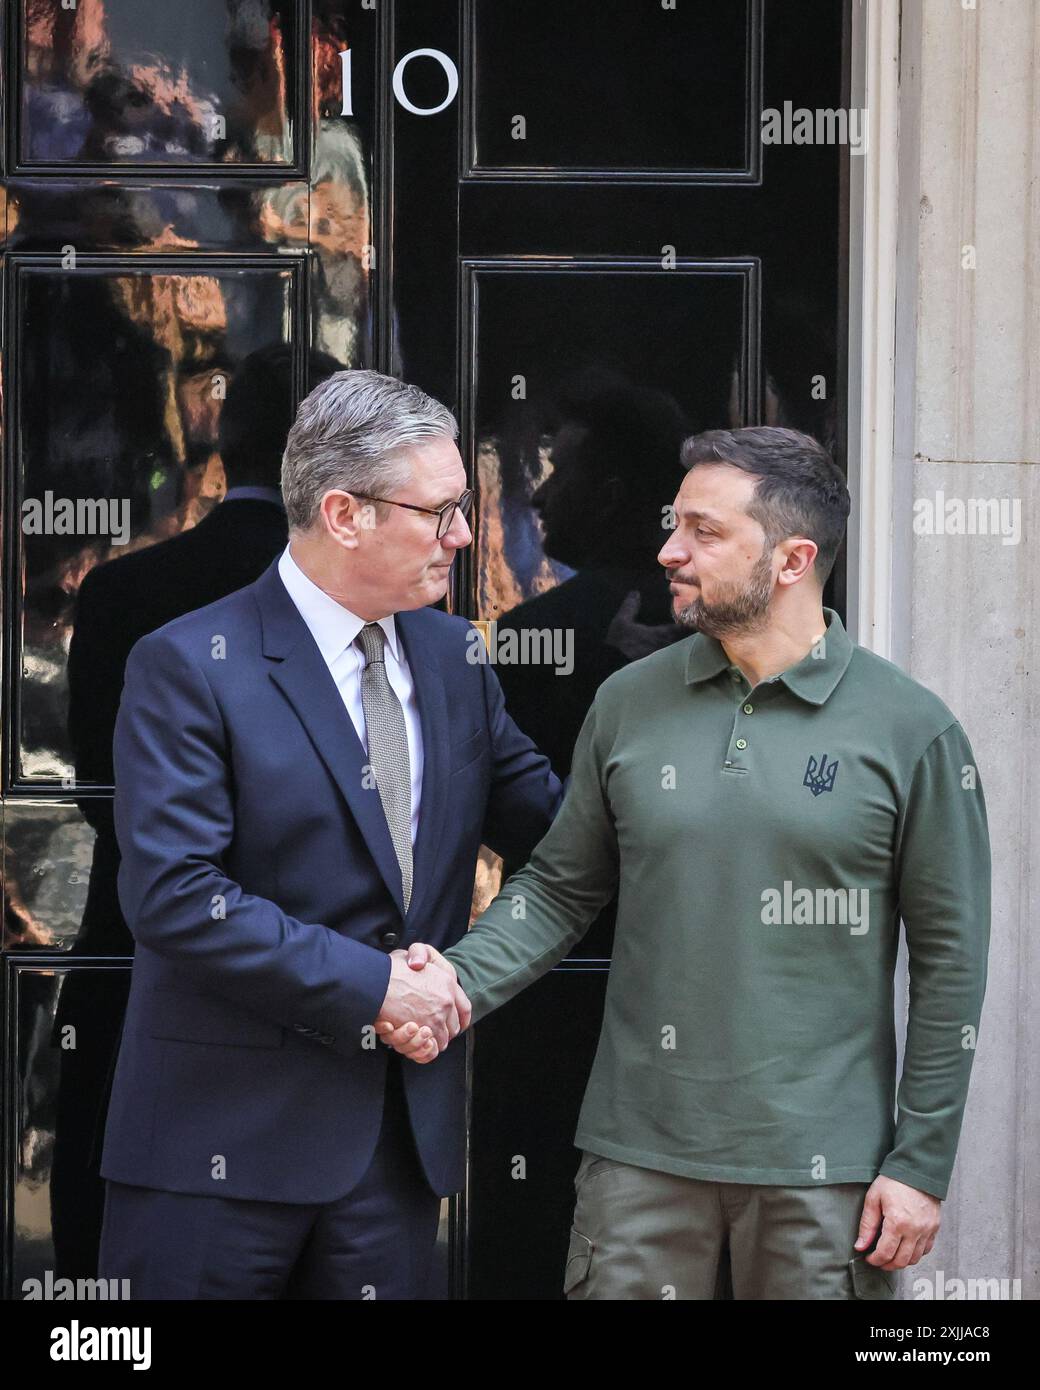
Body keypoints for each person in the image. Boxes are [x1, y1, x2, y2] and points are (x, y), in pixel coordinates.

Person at [380, 425, 991, 1301]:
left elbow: (951, 963)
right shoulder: (629, 702)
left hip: (824, 1176)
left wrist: (920, 1163)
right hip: (638, 1164)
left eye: (704, 532)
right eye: (675, 524)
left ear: (791, 560)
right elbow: (558, 889)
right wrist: (451, 988)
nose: (668, 550)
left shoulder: (912, 731)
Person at [97, 369, 562, 1299]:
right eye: (439, 512)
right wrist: (379, 986)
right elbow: (175, 896)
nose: (463, 536)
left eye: (464, 509)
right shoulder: (189, 664)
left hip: (392, 1154)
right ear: (345, 514)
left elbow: (557, 829)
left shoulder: (455, 657)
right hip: (214, 1154)